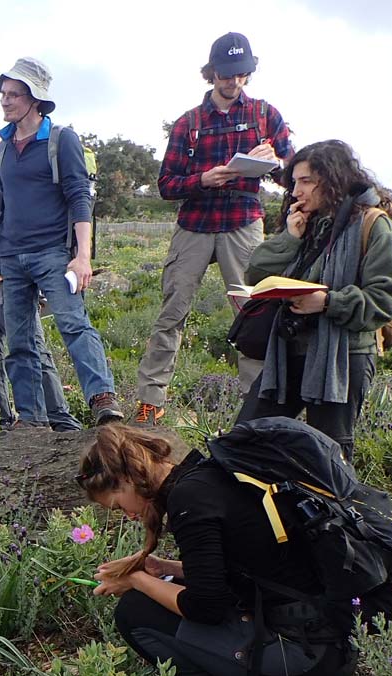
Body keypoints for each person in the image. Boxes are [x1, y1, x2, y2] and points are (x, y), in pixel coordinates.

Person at [80, 425, 358, 676]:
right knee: (160, 591)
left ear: (127, 479)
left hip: (305, 662)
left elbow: (206, 606)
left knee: (135, 612)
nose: (126, 515)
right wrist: (164, 568)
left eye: (117, 505)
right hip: (330, 648)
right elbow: (248, 568)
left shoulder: (188, 501)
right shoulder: (208, 474)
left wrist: (136, 580)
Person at [136, 33, 294, 424]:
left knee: (253, 312)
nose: (234, 81)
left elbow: (295, 174)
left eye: (241, 74)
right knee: (171, 312)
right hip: (195, 222)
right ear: (211, 73)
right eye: (226, 74)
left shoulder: (264, 115)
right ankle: (150, 405)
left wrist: (274, 161)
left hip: (243, 222)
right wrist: (203, 180)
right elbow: (166, 185)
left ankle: (257, 410)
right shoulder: (188, 123)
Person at [234, 141, 392, 460]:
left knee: (328, 458)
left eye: (305, 181)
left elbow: (387, 297)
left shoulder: (372, 224)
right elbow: (255, 273)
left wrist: (327, 302)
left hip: (341, 360)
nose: (295, 190)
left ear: (332, 179)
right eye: (294, 181)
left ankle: (339, 512)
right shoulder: (307, 223)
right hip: (287, 353)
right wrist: (290, 237)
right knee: (246, 439)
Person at [0, 57, 123, 427]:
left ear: (35, 99)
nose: (5, 101)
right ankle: (32, 420)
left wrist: (83, 257)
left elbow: (80, 197)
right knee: (21, 343)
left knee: (73, 324)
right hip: (11, 258)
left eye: (14, 94)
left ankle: (102, 399)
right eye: (4, 94)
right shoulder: (2, 149)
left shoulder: (62, 139)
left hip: (53, 255)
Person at [0, 135, 82, 431]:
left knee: (35, 355)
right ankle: (0, 425)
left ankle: (59, 420)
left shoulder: (13, 195)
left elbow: (34, 245)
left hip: (13, 294)